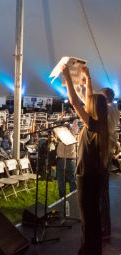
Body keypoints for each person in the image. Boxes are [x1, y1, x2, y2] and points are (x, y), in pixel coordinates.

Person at [63, 65, 109, 254]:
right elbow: (89, 100)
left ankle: (88, 251)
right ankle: (92, 249)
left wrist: (66, 76)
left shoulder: (92, 125)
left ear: (92, 108)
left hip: (87, 178)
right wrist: (87, 78)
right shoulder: (99, 124)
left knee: (87, 219)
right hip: (95, 177)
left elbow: (75, 102)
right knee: (93, 218)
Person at [99, 87, 117, 241]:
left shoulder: (108, 110)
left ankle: (104, 228)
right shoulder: (114, 109)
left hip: (104, 151)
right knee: (103, 191)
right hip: (108, 149)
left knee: (102, 192)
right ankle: (105, 227)